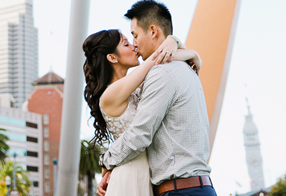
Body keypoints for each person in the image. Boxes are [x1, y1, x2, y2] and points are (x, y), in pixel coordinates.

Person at [98, 0, 216, 196]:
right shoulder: (185, 67)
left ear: (153, 31)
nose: (134, 44)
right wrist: (181, 45)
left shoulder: (161, 74)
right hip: (196, 186)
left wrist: (106, 161)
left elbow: (140, 134)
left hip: (180, 190)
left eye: (134, 35)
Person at [83, 26, 201, 195]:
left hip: (147, 175)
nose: (134, 46)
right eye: (125, 44)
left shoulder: (135, 88)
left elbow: (163, 58)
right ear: (112, 57)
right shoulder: (109, 95)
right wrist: (179, 45)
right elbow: (156, 59)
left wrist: (188, 52)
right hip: (129, 177)